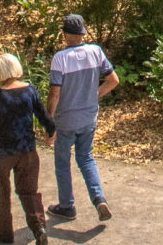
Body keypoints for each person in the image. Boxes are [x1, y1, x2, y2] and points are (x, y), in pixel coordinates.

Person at [45, 13, 117, 222]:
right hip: (88, 117)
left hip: (66, 120)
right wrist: (95, 96)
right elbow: (113, 81)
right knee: (86, 158)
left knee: (62, 162)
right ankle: (99, 198)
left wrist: (49, 122)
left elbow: (54, 94)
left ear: (65, 34)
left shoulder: (60, 58)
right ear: (83, 33)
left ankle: (67, 206)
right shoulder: (96, 52)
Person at [0, 53, 53, 245]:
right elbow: (43, 115)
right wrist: (51, 131)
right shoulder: (30, 90)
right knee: (29, 191)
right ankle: (39, 228)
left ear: (1, 71)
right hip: (27, 150)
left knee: (2, 192)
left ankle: (4, 233)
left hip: (2, 152)